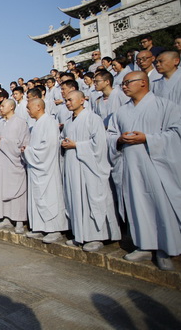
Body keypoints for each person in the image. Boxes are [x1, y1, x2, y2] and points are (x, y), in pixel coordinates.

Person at [108, 71, 181, 270]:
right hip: (131, 166)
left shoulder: (166, 106)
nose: (124, 86)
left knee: (161, 204)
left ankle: (165, 249)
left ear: (143, 83)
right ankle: (144, 245)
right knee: (137, 204)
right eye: (123, 83)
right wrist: (118, 140)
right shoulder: (120, 112)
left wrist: (148, 139)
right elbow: (110, 135)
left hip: (158, 166)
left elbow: (180, 134)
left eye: (128, 82)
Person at [61, 91, 121, 251]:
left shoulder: (92, 118)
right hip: (73, 166)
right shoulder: (68, 122)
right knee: (76, 198)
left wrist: (77, 145)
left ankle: (97, 236)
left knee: (91, 198)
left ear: (82, 100)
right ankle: (79, 234)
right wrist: (63, 142)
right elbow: (64, 137)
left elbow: (99, 144)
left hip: (89, 167)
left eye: (70, 100)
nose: (67, 103)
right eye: (66, 100)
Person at [22, 99, 68, 243]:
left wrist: (28, 151)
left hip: (46, 168)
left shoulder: (49, 122)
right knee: (37, 197)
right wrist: (28, 151)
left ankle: (54, 229)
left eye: (29, 108)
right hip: (36, 167)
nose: (28, 111)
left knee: (49, 196)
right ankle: (40, 227)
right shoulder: (36, 124)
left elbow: (48, 147)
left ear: (38, 107)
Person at [0, 99, 29, 234]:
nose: (0, 108)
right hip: (2, 162)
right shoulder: (1, 123)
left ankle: (19, 220)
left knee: (17, 190)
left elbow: (23, 143)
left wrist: (4, 142)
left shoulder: (20, 122)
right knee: (3, 189)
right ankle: (6, 218)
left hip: (15, 162)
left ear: (12, 107)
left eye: (3, 105)